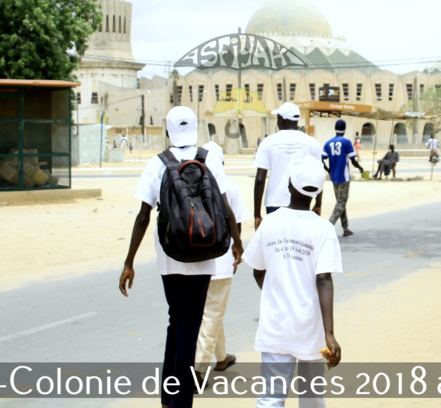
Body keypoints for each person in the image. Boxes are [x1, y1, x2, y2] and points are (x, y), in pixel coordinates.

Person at [118, 106, 242, 408]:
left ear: (168, 129)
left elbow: (143, 215)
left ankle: (167, 396)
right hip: (204, 252)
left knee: (177, 321)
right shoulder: (210, 157)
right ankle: (180, 403)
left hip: (170, 254)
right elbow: (224, 207)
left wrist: (129, 262)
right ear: (195, 127)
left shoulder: (157, 163)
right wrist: (238, 242)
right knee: (190, 325)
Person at [241, 155, 343, 408]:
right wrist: (329, 334)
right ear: (318, 191)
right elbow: (324, 280)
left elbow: (257, 269)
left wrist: (277, 293)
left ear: (289, 185)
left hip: (276, 324)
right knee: (311, 396)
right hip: (310, 326)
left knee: (271, 398)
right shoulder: (323, 229)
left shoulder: (270, 223)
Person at [194, 175, 250, 384]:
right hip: (220, 259)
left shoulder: (192, 182)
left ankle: (222, 357)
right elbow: (236, 221)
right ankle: (198, 370)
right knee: (212, 313)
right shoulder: (229, 185)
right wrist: (237, 248)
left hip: (193, 258)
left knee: (210, 312)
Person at [254, 102, 322, 229]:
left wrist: (257, 214)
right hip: (302, 201)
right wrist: (318, 204)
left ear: (282, 120)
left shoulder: (268, 142)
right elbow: (318, 175)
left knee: (277, 245)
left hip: (274, 203)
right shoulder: (311, 142)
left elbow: (259, 179)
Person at [322, 119, 364, 237]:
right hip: (344, 177)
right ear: (344, 130)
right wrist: (360, 168)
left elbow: (321, 159)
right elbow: (353, 160)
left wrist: (328, 169)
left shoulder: (328, 143)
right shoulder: (346, 142)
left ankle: (345, 228)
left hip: (333, 177)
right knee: (341, 202)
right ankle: (330, 224)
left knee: (340, 202)